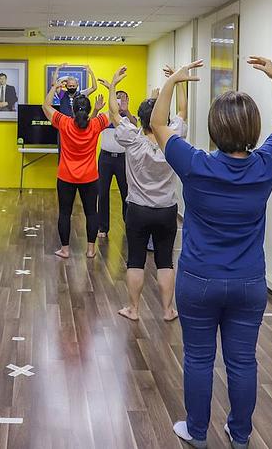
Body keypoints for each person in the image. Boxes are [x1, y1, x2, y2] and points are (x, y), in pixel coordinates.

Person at [151, 57, 272, 449]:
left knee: (198, 359)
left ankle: (197, 432)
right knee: (243, 361)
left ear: (214, 129)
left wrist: (173, 84)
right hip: (248, 283)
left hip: (198, 280)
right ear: (253, 129)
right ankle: (240, 434)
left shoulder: (195, 164)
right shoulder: (265, 164)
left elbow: (158, 124)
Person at [101, 66, 188, 322]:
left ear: (139, 119)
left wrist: (113, 85)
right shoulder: (173, 137)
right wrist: (178, 81)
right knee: (165, 261)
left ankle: (133, 308)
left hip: (138, 209)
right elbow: (183, 111)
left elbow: (114, 113)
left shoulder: (132, 137)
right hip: (167, 210)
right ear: (163, 118)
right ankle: (168, 310)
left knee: (136, 260)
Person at [42, 77, 108, 259]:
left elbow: (45, 106)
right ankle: (90, 250)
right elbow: (114, 112)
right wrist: (111, 89)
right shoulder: (95, 124)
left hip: (66, 177)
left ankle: (65, 250)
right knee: (91, 213)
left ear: (72, 109)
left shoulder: (64, 122)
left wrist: (54, 87)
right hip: (90, 178)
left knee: (65, 213)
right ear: (89, 110)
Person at [96, 87, 136, 237]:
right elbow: (93, 123)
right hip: (105, 159)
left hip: (122, 159)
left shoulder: (129, 119)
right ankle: (103, 227)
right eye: (117, 98)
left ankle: (129, 224)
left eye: (124, 98)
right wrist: (111, 109)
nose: (120, 101)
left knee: (126, 192)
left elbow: (135, 125)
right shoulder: (105, 117)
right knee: (102, 193)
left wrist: (126, 111)